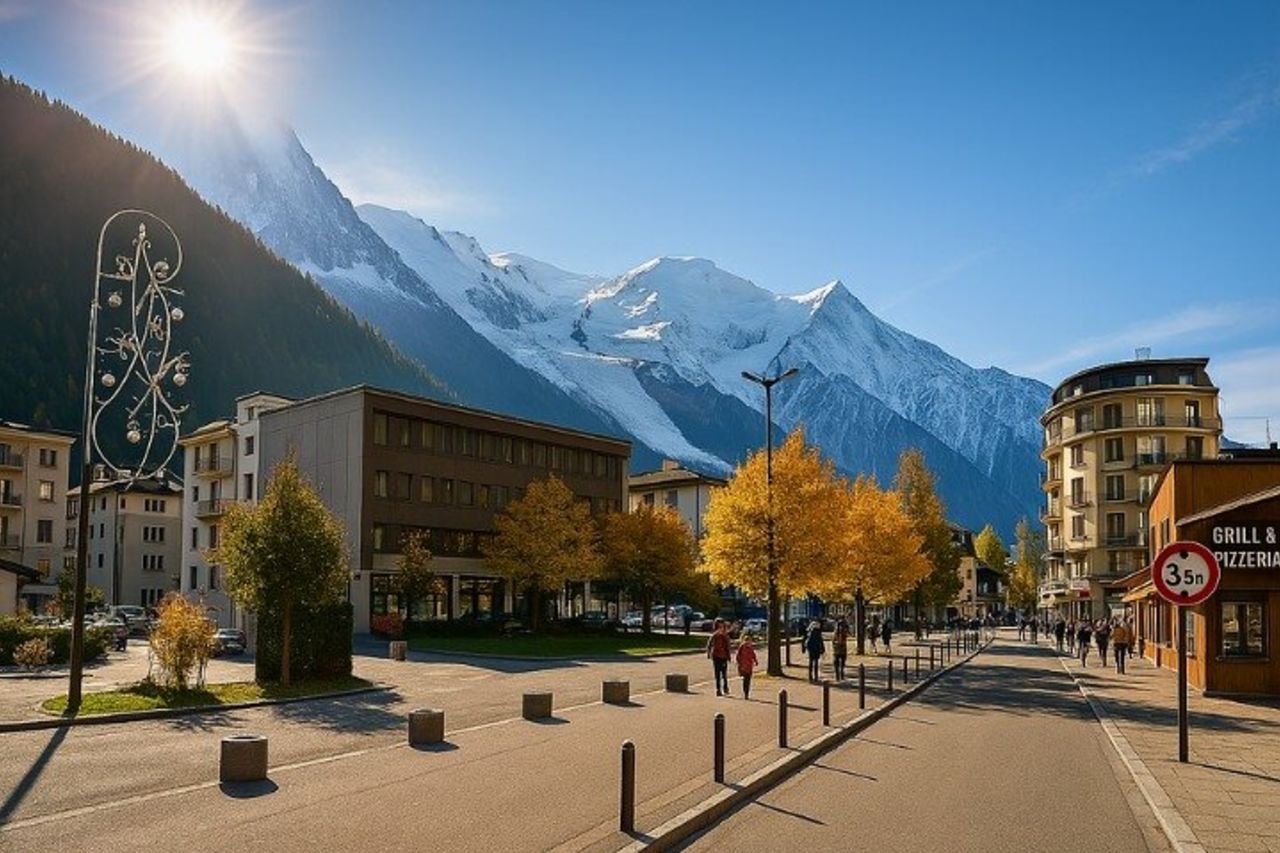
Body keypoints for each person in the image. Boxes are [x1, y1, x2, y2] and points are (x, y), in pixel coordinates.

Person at [706, 619, 732, 696]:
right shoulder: (715, 635)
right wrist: (708, 653)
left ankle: (725, 687)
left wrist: (728, 656)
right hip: (716, 656)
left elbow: (728, 647)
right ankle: (718, 689)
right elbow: (709, 645)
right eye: (719, 626)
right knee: (717, 674)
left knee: (724, 674)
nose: (721, 628)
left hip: (723, 656)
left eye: (722, 626)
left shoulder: (725, 636)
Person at [736, 634, 759, 699]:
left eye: (749, 641)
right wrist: (739, 663)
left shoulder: (750, 648)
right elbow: (738, 656)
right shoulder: (742, 647)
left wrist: (755, 661)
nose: (748, 642)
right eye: (747, 641)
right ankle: (745, 692)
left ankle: (747, 692)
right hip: (743, 666)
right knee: (745, 680)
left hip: (749, 666)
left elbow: (753, 655)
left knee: (748, 680)